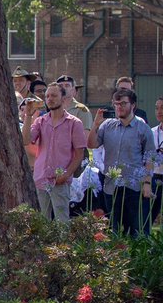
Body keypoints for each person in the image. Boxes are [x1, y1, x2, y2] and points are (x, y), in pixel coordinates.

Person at [87, 87, 153, 236]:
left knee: (135, 230)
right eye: (116, 104)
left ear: (133, 105)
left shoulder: (143, 129)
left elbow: (149, 158)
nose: (119, 107)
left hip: (134, 187)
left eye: (123, 103)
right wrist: (96, 124)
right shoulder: (107, 126)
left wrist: (147, 183)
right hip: (111, 185)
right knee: (113, 229)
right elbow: (91, 144)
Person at [22, 84, 86, 223]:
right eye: (47, 96)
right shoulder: (40, 121)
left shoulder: (74, 123)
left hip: (60, 181)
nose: (49, 99)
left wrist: (66, 175)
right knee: (42, 223)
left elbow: (79, 154)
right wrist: (28, 115)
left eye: (54, 96)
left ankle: (64, 245)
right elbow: (25, 140)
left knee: (62, 223)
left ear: (63, 99)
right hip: (41, 179)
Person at [145, 96, 163, 233]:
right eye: (157, 108)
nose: (159, 111)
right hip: (155, 176)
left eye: (162, 108)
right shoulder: (151, 132)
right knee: (150, 213)